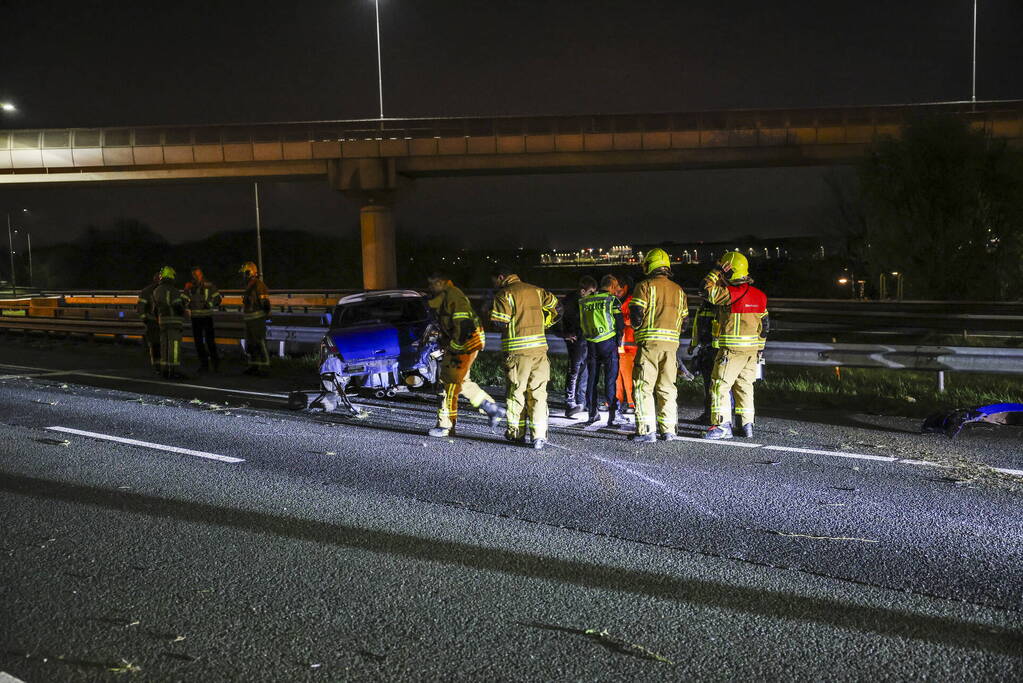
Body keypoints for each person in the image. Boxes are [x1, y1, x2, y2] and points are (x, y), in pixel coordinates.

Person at [426, 271, 506, 438]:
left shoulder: (453, 296)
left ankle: (446, 425)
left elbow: (463, 326)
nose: (430, 288)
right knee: (461, 381)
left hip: (464, 345)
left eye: (432, 284)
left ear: (440, 282)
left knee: (448, 383)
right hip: (465, 344)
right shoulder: (448, 295)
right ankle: (491, 408)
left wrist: (453, 348)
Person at [489, 263, 561, 450]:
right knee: (538, 393)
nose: (493, 284)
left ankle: (516, 433)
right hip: (540, 350)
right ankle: (539, 436)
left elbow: (499, 323)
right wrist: (544, 323)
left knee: (516, 392)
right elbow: (558, 308)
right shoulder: (537, 291)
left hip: (517, 353)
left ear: (501, 277)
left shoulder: (504, 294)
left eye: (494, 280)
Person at [702, 251, 769, 440]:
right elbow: (765, 326)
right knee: (744, 386)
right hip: (751, 351)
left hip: (732, 351)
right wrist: (760, 348)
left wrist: (715, 271)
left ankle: (722, 426)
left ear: (729, 271)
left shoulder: (730, 294)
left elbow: (705, 290)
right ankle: (746, 425)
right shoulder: (760, 296)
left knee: (720, 386)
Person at [629, 248, 688, 443]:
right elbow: (684, 323)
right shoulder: (679, 290)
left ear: (650, 265)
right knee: (667, 387)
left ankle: (646, 431)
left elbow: (636, 316)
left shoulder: (644, 286)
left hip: (649, 345)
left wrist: (638, 327)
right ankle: (668, 430)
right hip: (671, 347)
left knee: (643, 387)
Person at [579, 274, 625, 427]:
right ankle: (613, 415)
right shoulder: (612, 300)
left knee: (592, 379)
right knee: (610, 380)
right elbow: (620, 324)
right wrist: (619, 340)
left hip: (591, 343)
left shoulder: (586, 300)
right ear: (611, 286)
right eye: (616, 287)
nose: (617, 290)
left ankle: (592, 413)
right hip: (609, 343)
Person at [560, 275, 596, 418]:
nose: (593, 295)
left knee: (584, 370)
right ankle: (570, 403)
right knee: (574, 370)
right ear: (582, 291)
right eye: (591, 292)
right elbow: (562, 319)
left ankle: (581, 402)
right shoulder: (571, 302)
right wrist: (565, 334)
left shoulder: (581, 300)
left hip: (584, 338)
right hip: (576, 339)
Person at [152, 266, 189, 380]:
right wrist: (184, 312)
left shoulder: (156, 290)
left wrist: (159, 319)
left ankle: (164, 370)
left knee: (164, 346)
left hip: (162, 322)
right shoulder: (173, 290)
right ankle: (174, 371)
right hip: (174, 322)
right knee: (174, 347)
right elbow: (177, 305)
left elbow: (154, 309)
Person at [184, 266, 222, 373]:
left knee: (210, 342)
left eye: (197, 274)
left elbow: (218, 299)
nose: (195, 277)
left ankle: (215, 363)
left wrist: (209, 304)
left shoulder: (209, 285)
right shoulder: (189, 286)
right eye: (194, 275)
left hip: (206, 317)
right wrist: (185, 301)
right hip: (195, 318)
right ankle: (204, 365)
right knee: (198, 343)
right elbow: (184, 298)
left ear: (201, 274)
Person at [687, 300, 718, 424]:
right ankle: (708, 414)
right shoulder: (701, 309)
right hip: (705, 350)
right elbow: (696, 328)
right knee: (707, 384)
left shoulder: (720, 307)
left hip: (716, 350)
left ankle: (717, 416)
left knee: (717, 385)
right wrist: (693, 344)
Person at [240, 261, 271, 376]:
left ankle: (265, 367)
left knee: (260, 343)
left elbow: (265, 303)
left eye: (244, 273)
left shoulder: (258, 285)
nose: (243, 276)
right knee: (251, 344)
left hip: (257, 319)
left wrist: (264, 315)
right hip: (250, 319)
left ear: (250, 272)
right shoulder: (249, 285)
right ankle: (254, 366)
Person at [614, 275, 637, 419]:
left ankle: (631, 403)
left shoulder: (632, 301)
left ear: (626, 288)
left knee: (629, 377)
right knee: (617, 376)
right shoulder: (617, 301)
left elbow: (633, 320)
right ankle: (617, 400)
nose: (616, 293)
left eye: (619, 291)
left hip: (629, 346)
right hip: (620, 345)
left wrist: (619, 319)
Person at [136, 272, 161, 374]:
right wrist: (145, 319)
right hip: (154, 321)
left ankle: (158, 365)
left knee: (156, 344)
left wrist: (145, 319)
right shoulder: (148, 291)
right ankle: (158, 365)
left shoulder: (147, 291)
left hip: (155, 321)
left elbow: (140, 308)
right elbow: (141, 307)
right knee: (156, 344)